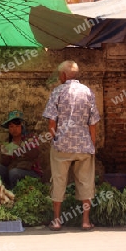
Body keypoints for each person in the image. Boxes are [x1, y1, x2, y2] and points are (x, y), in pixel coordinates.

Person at [42, 60, 100, 231]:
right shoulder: (88, 92)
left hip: (62, 146)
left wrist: (55, 139)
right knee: (86, 181)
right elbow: (93, 123)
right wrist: (92, 143)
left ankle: (57, 221)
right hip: (84, 145)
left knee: (59, 181)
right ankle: (85, 221)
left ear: (64, 75)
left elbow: (51, 123)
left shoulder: (57, 92)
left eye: (60, 75)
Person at [0, 110, 42, 189]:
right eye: (11, 126)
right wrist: (5, 152)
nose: (14, 129)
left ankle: (15, 193)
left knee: (14, 173)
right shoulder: (7, 141)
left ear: (22, 126)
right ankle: (4, 190)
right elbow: (5, 163)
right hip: (12, 172)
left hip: (31, 173)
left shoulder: (30, 138)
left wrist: (18, 148)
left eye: (17, 126)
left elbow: (35, 153)